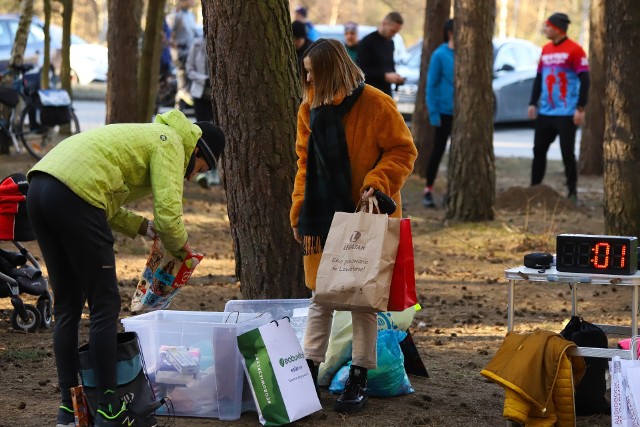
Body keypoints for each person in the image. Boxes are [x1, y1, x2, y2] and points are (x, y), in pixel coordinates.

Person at [27, 110, 225, 427]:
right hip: (76, 195)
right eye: (198, 170)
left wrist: (142, 228)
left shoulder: (145, 136)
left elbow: (107, 199)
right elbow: (169, 213)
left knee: (67, 306)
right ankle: (109, 410)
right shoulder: (172, 142)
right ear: (198, 150)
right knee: (105, 305)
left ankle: (69, 409)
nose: (190, 178)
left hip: (39, 187)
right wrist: (181, 251)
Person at [290, 38, 416, 413]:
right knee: (321, 296)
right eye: (306, 73)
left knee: (364, 301)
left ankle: (360, 375)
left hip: (367, 215)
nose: (308, 79)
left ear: (332, 70)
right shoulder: (307, 108)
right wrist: (299, 212)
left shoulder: (376, 103)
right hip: (322, 216)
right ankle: (308, 370)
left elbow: (403, 150)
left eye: (313, 72)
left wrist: (376, 182)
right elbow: (303, 163)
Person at [528, 12, 589, 202]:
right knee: (538, 150)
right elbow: (539, 78)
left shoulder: (576, 50)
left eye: (547, 26)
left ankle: (572, 193)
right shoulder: (545, 50)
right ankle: (534, 190)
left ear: (557, 29)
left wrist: (580, 108)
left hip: (566, 113)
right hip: (545, 111)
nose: (545, 29)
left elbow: (585, 80)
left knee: (567, 153)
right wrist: (532, 102)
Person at [422, 19, 454, 208]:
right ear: (451, 32)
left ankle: (452, 192)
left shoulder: (465, 55)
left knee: (456, 155)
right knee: (438, 151)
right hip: (443, 112)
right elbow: (431, 85)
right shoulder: (440, 55)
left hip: (461, 115)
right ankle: (428, 190)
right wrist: (434, 112)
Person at [186, 37, 220, 188]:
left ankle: (213, 173)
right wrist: (204, 79)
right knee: (199, 134)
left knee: (217, 134)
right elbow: (189, 69)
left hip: (217, 96)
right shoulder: (197, 44)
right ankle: (195, 170)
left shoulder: (222, 42)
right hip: (200, 95)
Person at [356, 11, 406, 96]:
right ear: (384, 23)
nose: (394, 35)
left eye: (396, 32)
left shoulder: (390, 43)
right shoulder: (367, 42)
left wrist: (396, 78)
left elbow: (389, 66)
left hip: (386, 92)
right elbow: (360, 70)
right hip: (370, 92)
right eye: (392, 31)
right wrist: (384, 76)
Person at [170, 0, 200, 108]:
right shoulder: (176, 15)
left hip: (191, 53)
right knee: (183, 81)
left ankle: (179, 107)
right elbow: (170, 35)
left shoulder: (191, 15)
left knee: (183, 86)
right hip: (181, 53)